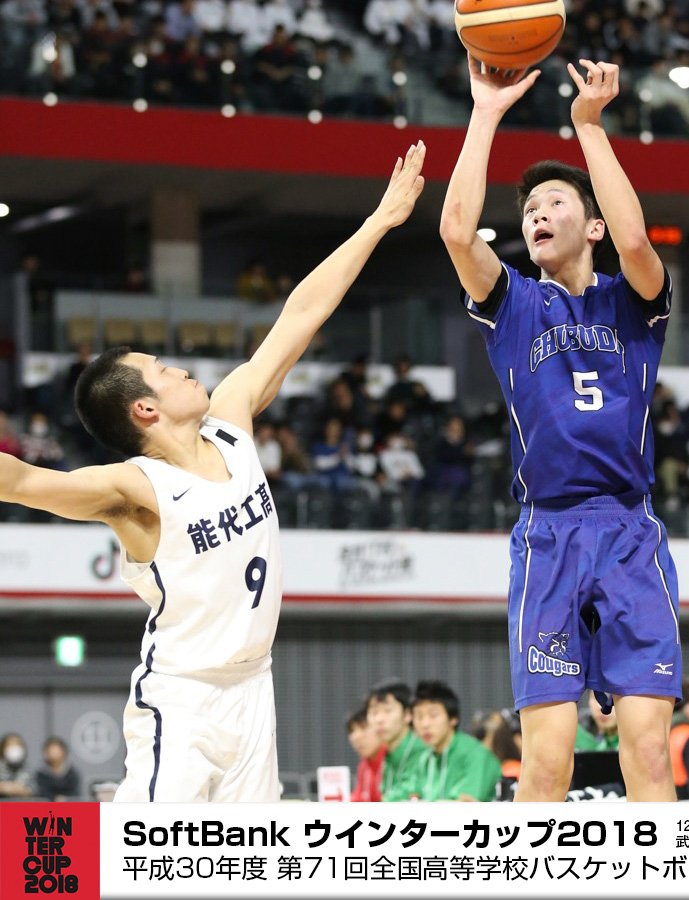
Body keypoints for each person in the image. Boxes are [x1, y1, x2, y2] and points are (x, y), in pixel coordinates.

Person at [0, 143, 426, 802]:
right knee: (152, 852)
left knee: (247, 856)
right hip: (183, 696)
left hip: (254, 688)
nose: (181, 368)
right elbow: (21, 481)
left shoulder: (231, 420)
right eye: (163, 370)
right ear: (145, 409)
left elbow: (301, 313)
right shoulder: (136, 488)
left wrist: (378, 221)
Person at [439, 54, 680, 802]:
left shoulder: (633, 300)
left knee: (649, 753)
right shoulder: (514, 304)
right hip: (547, 534)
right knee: (546, 764)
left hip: (629, 532)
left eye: (553, 202)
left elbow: (636, 242)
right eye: (529, 210)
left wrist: (589, 127)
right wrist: (485, 113)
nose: (536, 215)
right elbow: (456, 231)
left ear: (593, 225)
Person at [411, 680, 501, 802]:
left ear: (453, 718)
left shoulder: (476, 754)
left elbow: (466, 804)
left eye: (433, 715)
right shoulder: (424, 759)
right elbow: (412, 796)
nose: (425, 724)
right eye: (419, 717)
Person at [366, 678, 430, 802]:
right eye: (374, 713)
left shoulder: (422, 751)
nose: (379, 719)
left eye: (387, 711)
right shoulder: (388, 754)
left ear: (407, 714)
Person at [346, 707, 386, 802]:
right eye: (352, 731)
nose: (356, 737)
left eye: (363, 728)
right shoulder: (364, 766)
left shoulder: (394, 761)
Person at [34, 736, 82, 800]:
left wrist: (64, 799)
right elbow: (41, 792)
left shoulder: (72, 773)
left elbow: (75, 793)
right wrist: (54, 798)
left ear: (64, 752)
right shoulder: (41, 774)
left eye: (56, 750)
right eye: (51, 750)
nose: (54, 753)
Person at [0, 732, 33, 798]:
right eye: (10, 745)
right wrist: (5, 787)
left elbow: (34, 788)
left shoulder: (28, 769)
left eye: (17, 744)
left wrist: (25, 790)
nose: (14, 748)